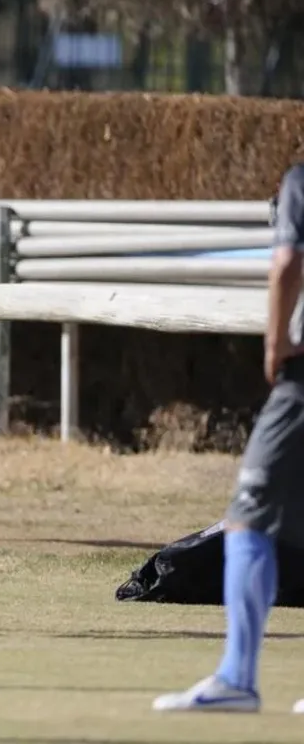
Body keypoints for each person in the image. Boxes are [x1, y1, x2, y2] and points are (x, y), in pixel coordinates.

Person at [153, 164, 304, 714]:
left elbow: (287, 262)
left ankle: (238, 676)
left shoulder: (300, 183)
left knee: (246, 520)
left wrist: (275, 342)